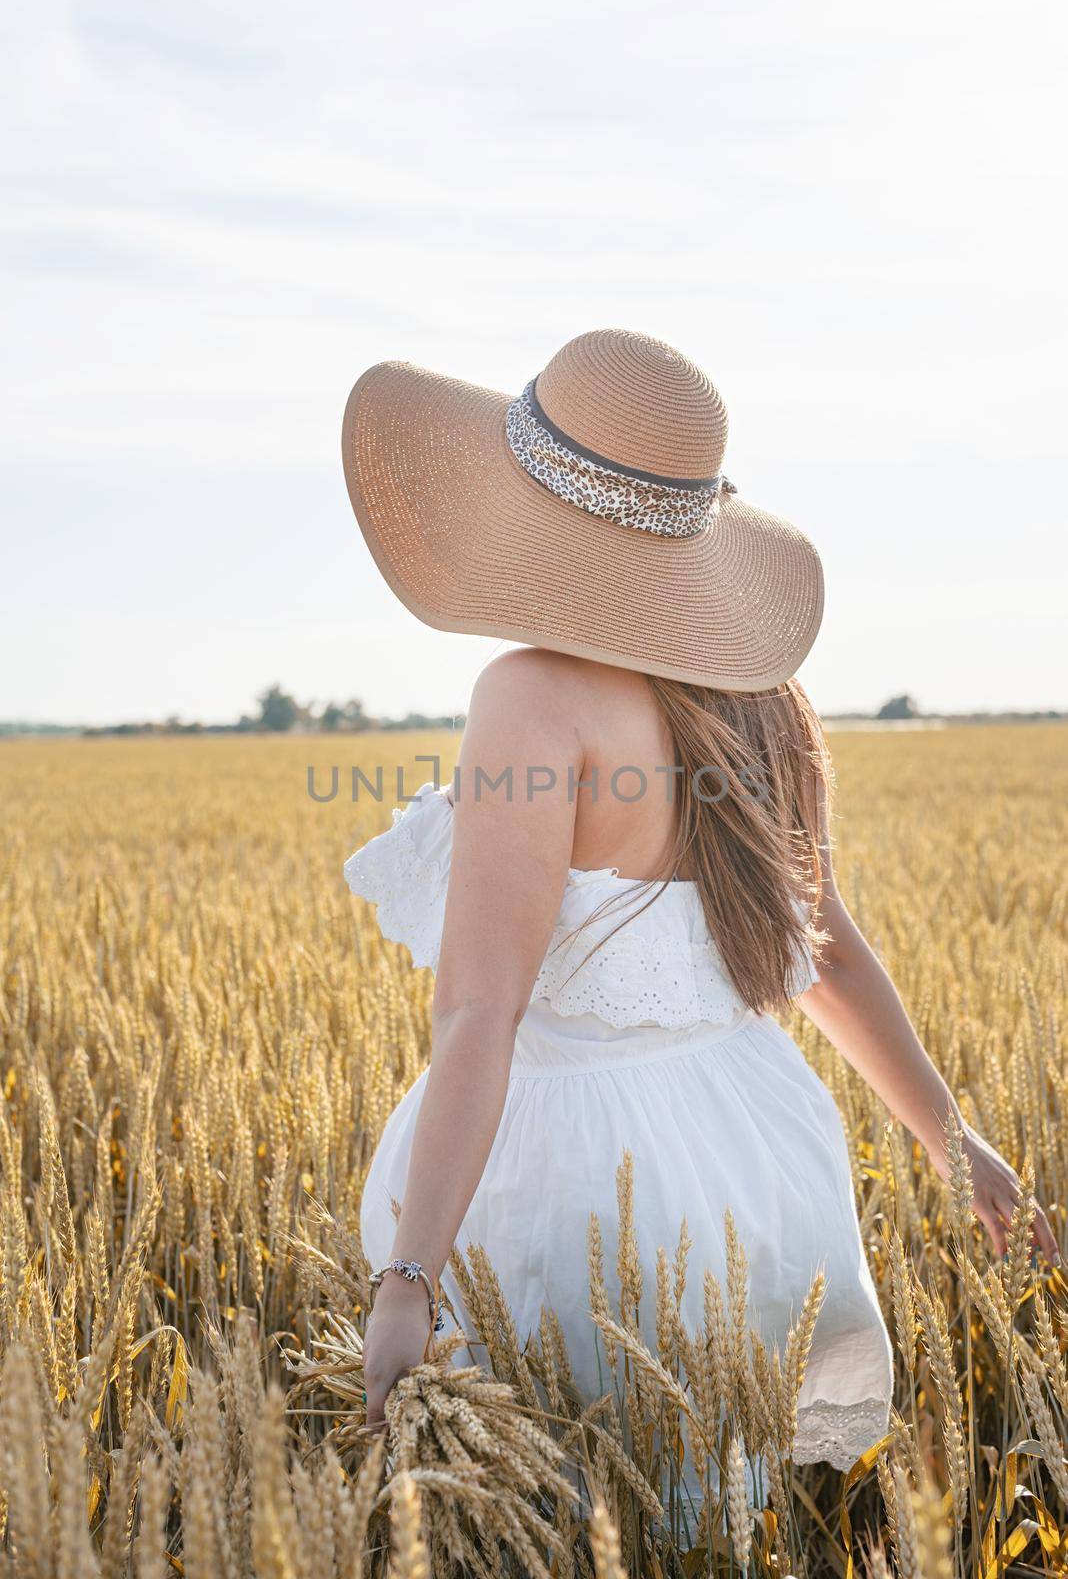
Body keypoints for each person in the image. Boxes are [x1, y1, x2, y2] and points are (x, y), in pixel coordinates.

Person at [338, 329, 1059, 1490]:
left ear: (531, 515)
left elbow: (479, 1010)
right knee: (731, 1506)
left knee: (573, 1513)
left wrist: (410, 1276)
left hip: (571, 1186)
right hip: (761, 1162)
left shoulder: (527, 697)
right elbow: (824, 951)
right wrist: (948, 1134)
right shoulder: (765, 702)